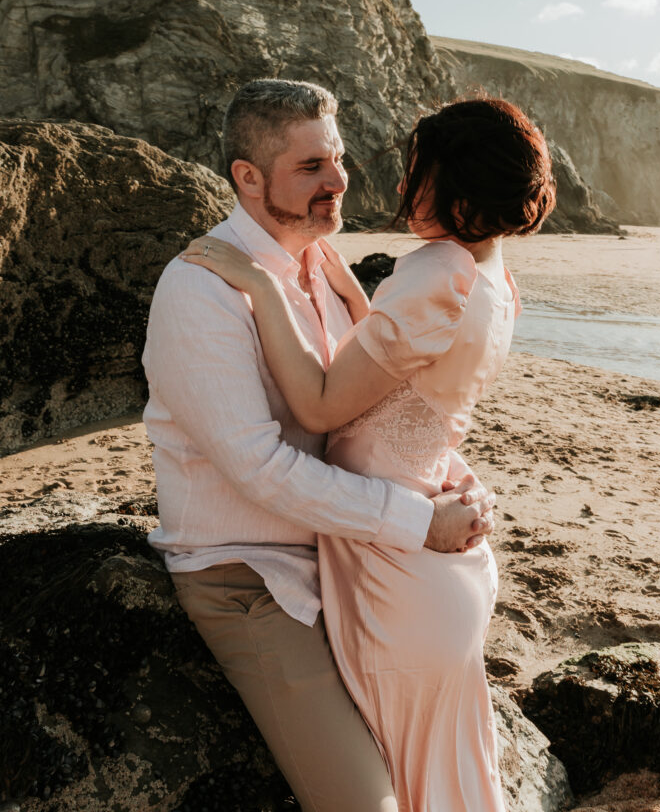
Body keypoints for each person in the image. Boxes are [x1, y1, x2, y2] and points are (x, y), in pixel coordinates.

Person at [181, 94, 557, 812]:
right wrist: (336, 278)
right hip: (435, 555)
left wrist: (260, 284)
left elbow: (323, 405)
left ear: (455, 186)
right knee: (446, 775)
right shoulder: (495, 282)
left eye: (417, 171)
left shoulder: (434, 271)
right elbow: (403, 373)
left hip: (394, 562)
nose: (398, 188)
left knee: (412, 783)